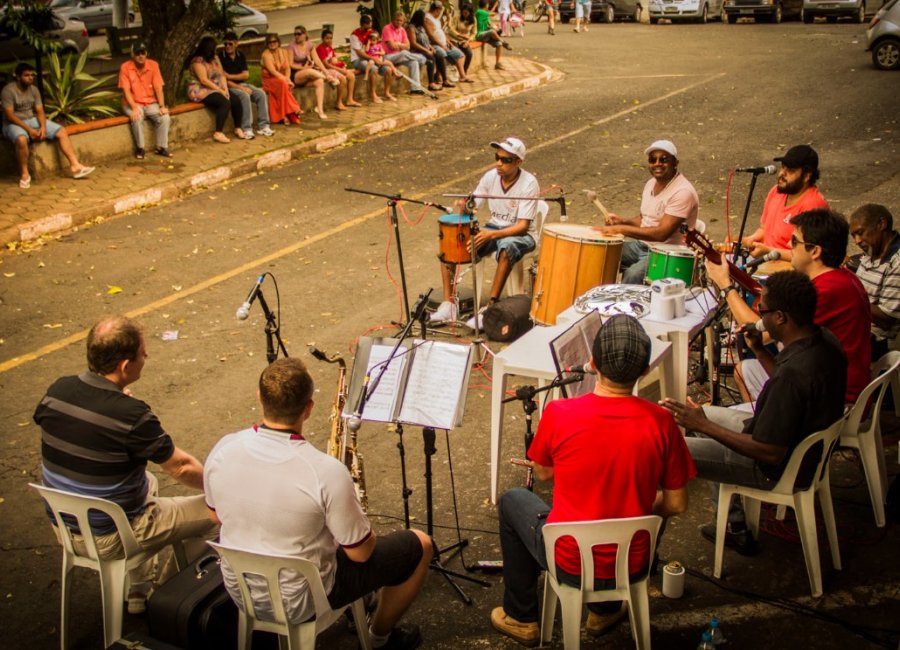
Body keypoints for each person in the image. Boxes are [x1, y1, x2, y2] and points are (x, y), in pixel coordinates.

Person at [492, 315, 695, 646]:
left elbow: (542, 472)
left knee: (513, 500)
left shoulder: (560, 414)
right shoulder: (662, 422)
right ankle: (605, 609)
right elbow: (676, 503)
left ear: (592, 363)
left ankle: (521, 616)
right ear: (645, 372)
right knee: (646, 511)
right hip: (631, 562)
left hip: (569, 560)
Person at [204, 357, 432, 650]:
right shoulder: (326, 472)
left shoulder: (224, 447)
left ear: (259, 397)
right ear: (309, 408)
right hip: (303, 600)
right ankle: (379, 638)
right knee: (421, 545)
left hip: (239, 589)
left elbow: (214, 516)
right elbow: (361, 554)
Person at [33, 316, 217, 613]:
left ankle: (137, 588)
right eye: (143, 353)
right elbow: (181, 467)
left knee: (147, 481)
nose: (147, 357)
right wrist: (223, 488)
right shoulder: (131, 416)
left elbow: (80, 425)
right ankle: (165, 596)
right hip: (111, 535)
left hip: (66, 525)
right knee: (215, 511)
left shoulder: (57, 391)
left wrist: (115, 401)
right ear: (124, 366)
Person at [662, 271, 847, 556]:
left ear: (781, 317)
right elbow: (792, 393)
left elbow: (768, 451)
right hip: (799, 444)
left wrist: (703, 425)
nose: (759, 316)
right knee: (706, 415)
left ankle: (649, 551)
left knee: (671, 448)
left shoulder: (794, 374)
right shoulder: (824, 340)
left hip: (775, 467)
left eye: (763, 310)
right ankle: (734, 524)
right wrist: (760, 351)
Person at [708, 209, 871, 405]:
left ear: (815, 251)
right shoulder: (843, 277)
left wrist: (726, 286)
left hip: (833, 399)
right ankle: (761, 420)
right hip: (826, 381)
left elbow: (764, 333)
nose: (787, 245)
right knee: (744, 371)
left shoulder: (825, 291)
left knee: (713, 415)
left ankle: (765, 430)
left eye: (794, 242)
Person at [430, 137, 539, 328]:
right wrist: (465, 206)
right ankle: (449, 304)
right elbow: (473, 206)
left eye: (506, 160)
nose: (499, 163)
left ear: (518, 162)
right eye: (497, 157)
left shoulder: (529, 183)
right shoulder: (491, 176)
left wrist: (490, 235)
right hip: (494, 228)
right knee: (452, 243)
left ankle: (491, 308)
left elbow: (522, 226)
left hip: (523, 235)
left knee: (507, 246)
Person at [597, 139, 699, 285]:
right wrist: (622, 221)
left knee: (633, 274)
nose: (657, 163)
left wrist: (620, 229)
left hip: (666, 253)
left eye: (663, 159)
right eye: (653, 159)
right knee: (602, 253)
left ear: (675, 163)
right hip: (641, 245)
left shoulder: (683, 192)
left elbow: (661, 233)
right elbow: (646, 219)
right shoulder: (651, 183)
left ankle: (627, 306)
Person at [2, 62, 95, 188]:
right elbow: (9, 115)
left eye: (32, 75)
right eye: (26, 75)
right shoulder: (8, 91)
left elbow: (40, 111)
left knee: (61, 131)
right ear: (18, 77)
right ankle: (24, 173)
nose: (30, 78)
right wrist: (29, 130)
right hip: (13, 123)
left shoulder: (34, 90)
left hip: (30, 119)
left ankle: (75, 166)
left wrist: (43, 128)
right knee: (21, 139)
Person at [741, 144, 828, 262]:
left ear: (807, 176)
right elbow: (764, 229)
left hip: (788, 272)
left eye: (790, 171)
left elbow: (806, 256)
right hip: (766, 261)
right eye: (783, 167)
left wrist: (767, 251)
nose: (782, 173)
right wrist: (749, 240)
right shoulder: (776, 192)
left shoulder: (813, 205)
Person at [850, 203, 900, 361]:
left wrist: (849, 296)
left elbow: (887, 320)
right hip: (859, 327)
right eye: (854, 236)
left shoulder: (896, 262)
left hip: (879, 342)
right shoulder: (870, 253)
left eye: (860, 233)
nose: (857, 241)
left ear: (881, 224)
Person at [118, 42, 172, 159]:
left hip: (150, 102)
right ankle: (140, 148)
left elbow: (158, 87)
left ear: (146, 53)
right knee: (137, 116)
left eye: (143, 53)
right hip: (131, 102)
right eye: (137, 53)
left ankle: (161, 147)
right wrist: (134, 108)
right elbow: (126, 91)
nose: (140, 56)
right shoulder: (125, 67)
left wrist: (162, 106)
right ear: (133, 55)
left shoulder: (153, 65)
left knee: (165, 117)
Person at [187, 36, 244, 143]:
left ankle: (238, 128)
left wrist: (225, 89)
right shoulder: (197, 61)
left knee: (235, 100)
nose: (215, 50)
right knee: (224, 102)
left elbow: (222, 75)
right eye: (214, 48)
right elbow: (203, 80)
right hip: (200, 89)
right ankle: (218, 132)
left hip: (215, 86)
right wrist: (220, 90)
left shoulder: (215, 58)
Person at [218, 31, 274, 139]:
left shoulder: (240, 55)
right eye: (225, 44)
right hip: (229, 86)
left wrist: (229, 75)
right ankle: (247, 128)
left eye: (230, 44)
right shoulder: (221, 57)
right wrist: (240, 87)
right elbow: (223, 79)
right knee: (245, 95)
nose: (227, 46)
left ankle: (264, 126)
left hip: (242, 83)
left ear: (236, 44)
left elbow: (246, 75)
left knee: (261, 93)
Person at [351, 14, 396, 103]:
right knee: (374, 69)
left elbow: (379, 45)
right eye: (366, 28)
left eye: (370, 27)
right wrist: (373, 59)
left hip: (372, 58)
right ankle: (373, 95)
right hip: (358, 59)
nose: (369, 30)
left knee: (389, 70)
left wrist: (379, 57)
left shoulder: (371, 32)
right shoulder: (354, 36)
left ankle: (387, 93)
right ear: (362, 24)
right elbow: (359, 53)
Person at [424, 1, 472, 86]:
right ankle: (441, 78)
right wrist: (441, 45)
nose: (440, 13)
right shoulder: (428, 19)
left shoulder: (436, 19)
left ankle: (463, 76)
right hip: (435, 45)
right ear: (436, 10)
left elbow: (441, 31)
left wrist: (447, 40)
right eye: (439, 11)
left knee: (459, 54)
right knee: (441, 54)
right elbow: (431, 36)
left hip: (444, 44)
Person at [287, 26, 330, 120]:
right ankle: (329, 79)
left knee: (319, 81)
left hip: (307, 73)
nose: (296, 36)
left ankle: (320, 110)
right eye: (295, 34)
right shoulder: (291, 46)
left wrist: (326, 71)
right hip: (295, 75)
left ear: (305, 34)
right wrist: (303, 67)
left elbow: (317, 60)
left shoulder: (309, 45)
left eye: (299, 34)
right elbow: (290, 65)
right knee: (310, 71)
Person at [261, 33, 303, 126]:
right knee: (283, 84)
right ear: (267, 44)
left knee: (283, 85)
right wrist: (286, 80)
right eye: (270, 42)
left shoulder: (283, 52)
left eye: (274, 41)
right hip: (269, 80)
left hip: (281, 79)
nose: (272, 44)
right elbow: (273, 72)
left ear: (278, 42)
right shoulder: (266, 55)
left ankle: (286, 115)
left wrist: (287, 78)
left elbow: (287, 68)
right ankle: (294, 109)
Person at [382, 10, 428, 95]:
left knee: (413, 62)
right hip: (388, 57)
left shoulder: (402, 30)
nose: (399, 22)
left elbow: (408, 46)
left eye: (401, 20)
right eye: (397, 20)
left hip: (400, 55)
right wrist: (401, 45)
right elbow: (391, 46)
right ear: (393, 20)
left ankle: (415, 88)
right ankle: (423, 59)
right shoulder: (387, 28)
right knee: (404, 53)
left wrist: (398, 44)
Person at [315, 29, 363, 109]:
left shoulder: (329, 47)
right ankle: (339, 102)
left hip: (332, 68)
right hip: (325, 70)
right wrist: (340, 70)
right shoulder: (320, 48)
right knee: (343, 78)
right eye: (327, 38)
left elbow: (334, 61)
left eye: (331, 38)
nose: (329, 40)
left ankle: (349, 100)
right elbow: (326, 65)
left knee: (351, 76)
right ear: (322, 39)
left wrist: (341, 66)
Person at [408, 9, 444, 92]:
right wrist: (426, 50)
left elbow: (426, 40)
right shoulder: (411, 28)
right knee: (431, 59)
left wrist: (430, 47)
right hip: (416, 50)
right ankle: (431, 83)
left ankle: (442, 79)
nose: (424, 20)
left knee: (439, 55)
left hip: (425, 49)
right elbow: (413, 43)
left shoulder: (421, 27)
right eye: (423, 18)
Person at [473, 0, 512, 71]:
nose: (488, 6)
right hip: (480, 35)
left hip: (486, 34)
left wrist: (495, 27)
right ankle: (504, 42)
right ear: (486, 5)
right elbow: (492, 14)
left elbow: (489, 24)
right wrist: (499, 10)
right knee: (492, 32)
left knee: (498, 44)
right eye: (487, 4)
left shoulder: (485, 14)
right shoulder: (479, 12)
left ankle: (497, 63)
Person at [448, 3, 476, 74]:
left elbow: (474, 33)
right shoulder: (457, 18)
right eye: (463, 12)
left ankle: (464, 71)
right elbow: (451, 30)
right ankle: (457, 72)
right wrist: (460, 35)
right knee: (457, 53)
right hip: (455, 39)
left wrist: (468, 41)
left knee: (469, 54)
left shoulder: (473, 20)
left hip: (465, 41)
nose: (465, 14)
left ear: (470, 12)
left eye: (466, 13)